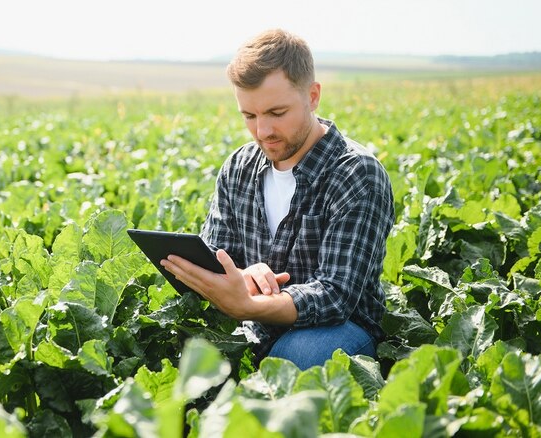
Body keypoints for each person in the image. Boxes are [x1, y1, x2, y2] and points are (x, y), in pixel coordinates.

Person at [160, 29, 395, 370]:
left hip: (337, 329)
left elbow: (336, 296)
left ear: (312, 96)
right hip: (254, 325)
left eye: (276, 113)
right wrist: (243, 275)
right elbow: (217, 256)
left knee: (298, 359)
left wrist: (248, 306)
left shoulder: (356, 174)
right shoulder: (238, 167)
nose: (262, 132)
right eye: (250, 116)